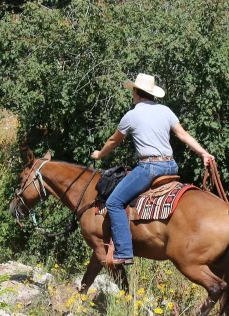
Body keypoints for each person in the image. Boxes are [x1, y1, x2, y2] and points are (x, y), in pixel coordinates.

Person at [91, 73, 215, 267]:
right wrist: (204, 153)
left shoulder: (131, 115)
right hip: (171, 165)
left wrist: (99, 154)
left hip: (149, 167)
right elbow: (183, 135)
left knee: (114, 202)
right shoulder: (165, 111)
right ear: (151, 93)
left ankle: (124, 252)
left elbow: (114, 140)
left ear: (135, 92)